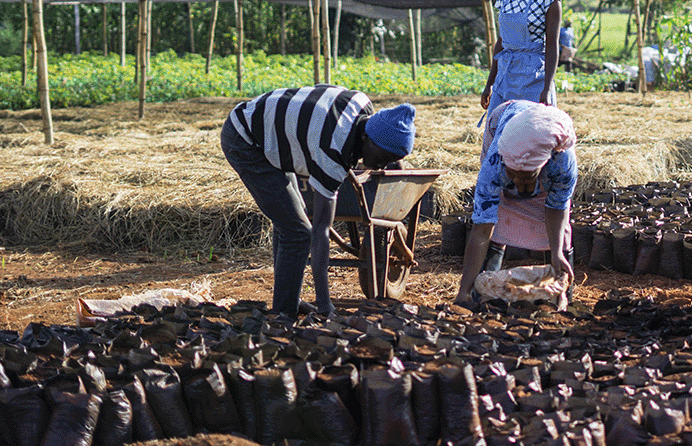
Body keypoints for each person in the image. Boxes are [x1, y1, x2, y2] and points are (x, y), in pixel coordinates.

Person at [221, 85, 416, 318]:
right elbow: (321, 231)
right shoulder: (334, 150)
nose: (383, 166)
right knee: (298, 231)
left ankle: (290, 299)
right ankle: (284, 316)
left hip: (275, 129)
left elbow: (384, 145)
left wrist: (397, 171)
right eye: (384, 158)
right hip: (246, 139)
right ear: (365, 137)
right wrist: (325, 303)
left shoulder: (363, 107)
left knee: (290, 219)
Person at [454, 100, 578, 307]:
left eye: (527, 177)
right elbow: (482, 228)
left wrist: (556, 252)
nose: (519, 185)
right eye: (513, 176)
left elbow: (557, 207)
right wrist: (463, 291)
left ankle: (561, 297)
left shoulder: (562, 162)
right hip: (504, 117)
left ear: (544, 164)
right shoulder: (493, 166)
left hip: (539, 139)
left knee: (561, 237)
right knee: (499, 214)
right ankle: (484, 294)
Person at [481, 0, 563, 122]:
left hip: (534, 76)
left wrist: (547, 88)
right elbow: (502, 42)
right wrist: (490, 84)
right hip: (506, 74)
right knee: (498, 127)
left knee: (531, 129)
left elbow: (551, 46)